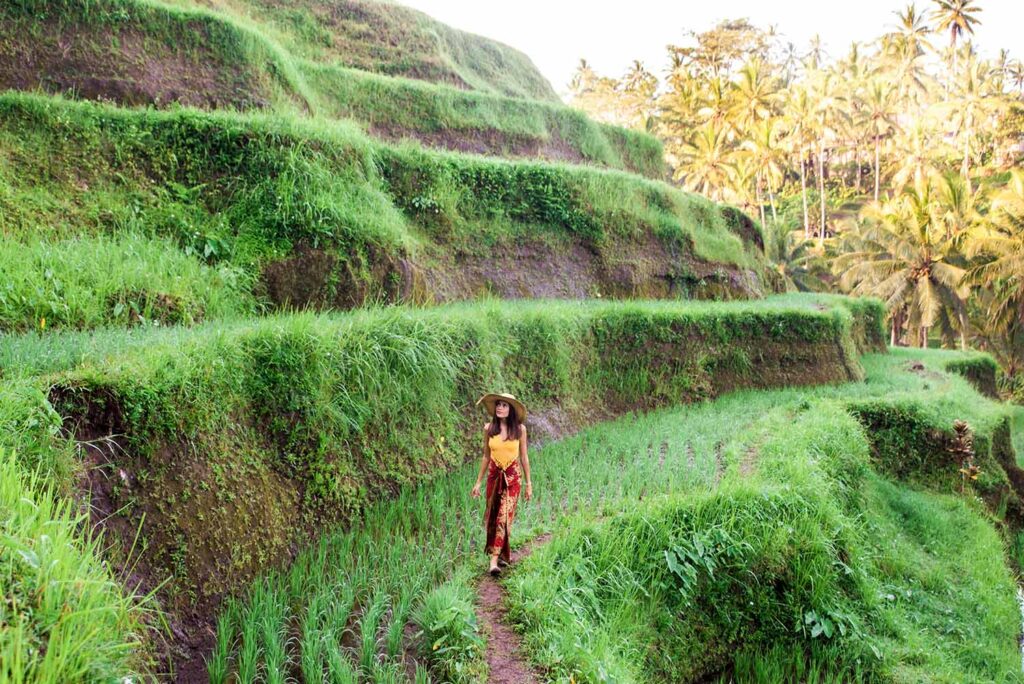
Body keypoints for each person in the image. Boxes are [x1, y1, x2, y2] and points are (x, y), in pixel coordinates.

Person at [470, 392, 532, 576]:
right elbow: (486, 456)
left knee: (504, 517)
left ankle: (494, 561)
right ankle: (503, 554)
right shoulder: (488, 428)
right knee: (493, 516)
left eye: (504, 405)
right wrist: (478, 483)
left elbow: (524, 457)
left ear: (511, 409)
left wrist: (529, 483)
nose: (500, 407)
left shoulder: (520, 430)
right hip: (494, 478)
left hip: (513, 479)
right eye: (498, 404)